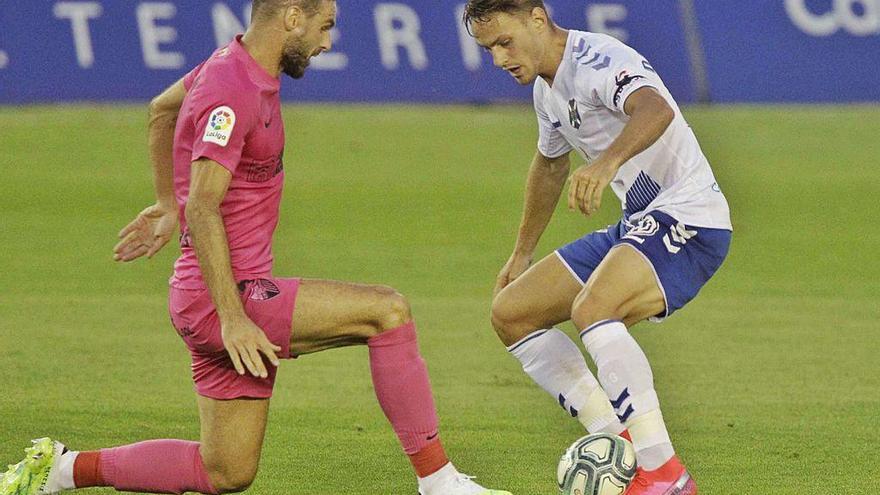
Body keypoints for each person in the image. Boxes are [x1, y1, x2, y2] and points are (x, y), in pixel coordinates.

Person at [0, 2, 510, 494]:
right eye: (323, 26)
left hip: (207, 296)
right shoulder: (232, 89)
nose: (326, 42)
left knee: (226, 471)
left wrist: (165, 201)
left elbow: (162, 109)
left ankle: (59, 471)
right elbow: (204, 205)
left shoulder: (229, 66)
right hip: (223, 298)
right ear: (292, 17)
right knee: (387, 311)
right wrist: (230, 314)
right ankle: (440, 483)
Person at [463, 1, 732, 493]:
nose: (499, 59)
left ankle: (665, 475)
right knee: (511, 313)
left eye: (505, 42)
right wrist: (521, 254)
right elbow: (549, 166)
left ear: (537, 20)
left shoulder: (597, 59)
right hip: (638, 224)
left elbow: (655, 108)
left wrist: (605, 165)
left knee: (595, 308)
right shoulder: (547, 92)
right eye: (489, 50)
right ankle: (618, 441)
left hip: (690, 217)